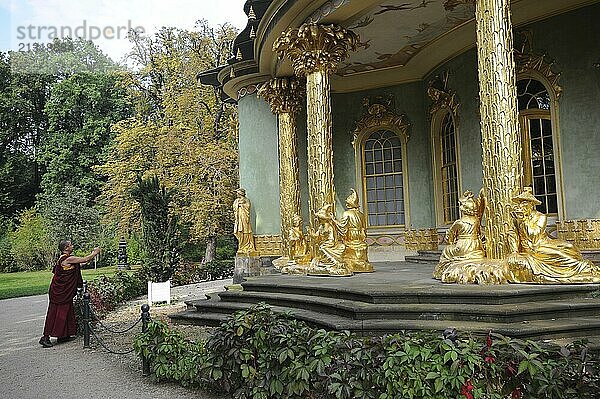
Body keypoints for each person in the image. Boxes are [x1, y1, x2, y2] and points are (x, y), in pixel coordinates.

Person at [507, 187, 600, 283]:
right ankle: (580, 268)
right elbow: (515, 235)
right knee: (559, 254)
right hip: (534, 249)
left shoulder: (540, 217)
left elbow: (536, 234)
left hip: (544, 242)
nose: (521, 206)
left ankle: (586, 266)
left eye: (525, 204)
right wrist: (514, 251)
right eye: (521, 203)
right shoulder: (516, 219)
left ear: (531, 205)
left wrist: (524, 220)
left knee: (570, 246)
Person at [39, 241, 101, 348]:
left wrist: (90, 256)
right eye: (71, 244)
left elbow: (81, 263)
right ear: (66, 247)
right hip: (59, 292)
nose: (72, 246)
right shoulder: (67, 259)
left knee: (66, 312)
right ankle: (45, 338)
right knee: (54, 314)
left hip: (63, 291)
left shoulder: (68, 259)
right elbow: (85, 259)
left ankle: (63, 335)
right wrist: (95, 252)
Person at [434, 190, 485, 278]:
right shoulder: (476, 220)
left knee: (447, 251)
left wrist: (450, 242)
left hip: (462, 246)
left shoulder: (459, 222)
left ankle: (443, 270)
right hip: (476, 245)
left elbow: (450, 234)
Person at [335, 189, 373, 272]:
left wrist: (333, 220)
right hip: (360, 235)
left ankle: (353, 260)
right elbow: (364, 228)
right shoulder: (361, 214)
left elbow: (342, 225)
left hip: (352, 234)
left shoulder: (347, 213)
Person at [233, 188, 256, 254]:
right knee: (240, 231)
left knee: (246, 231)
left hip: (244, 217)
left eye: (237, 193)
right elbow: (234, 208)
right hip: (239, 217)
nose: (237, 194)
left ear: (240, 193)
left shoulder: (246, 200)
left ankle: (247, 245)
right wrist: (237, 205)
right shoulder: (236, 201)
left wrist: (242, 205)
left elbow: (248, 207)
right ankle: (241, 246)